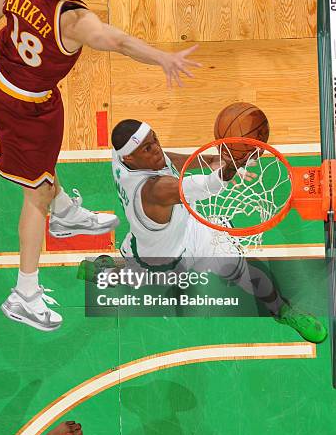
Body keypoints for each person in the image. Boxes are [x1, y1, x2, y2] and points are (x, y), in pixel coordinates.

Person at [0, 0, 201, 333]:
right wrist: (163, 59)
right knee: (36, 191)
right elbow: (118, 42)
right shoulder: (74, 20)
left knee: (42, 168)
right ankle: (24, 293)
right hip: (19, 105)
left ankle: (66, 214)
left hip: (0, 76)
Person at [106, 119, 327, 343]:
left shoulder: (121, 157)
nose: (157, 149)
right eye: (147, 148)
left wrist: (213, 159)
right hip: (160, 260)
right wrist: (233, 163)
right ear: (129, 157)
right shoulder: (153, 190)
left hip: (188, 232)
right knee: (128, 277)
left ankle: (283, 312)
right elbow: (206, 186)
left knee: (248, 272)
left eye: (155, 139)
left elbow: (167, 160)